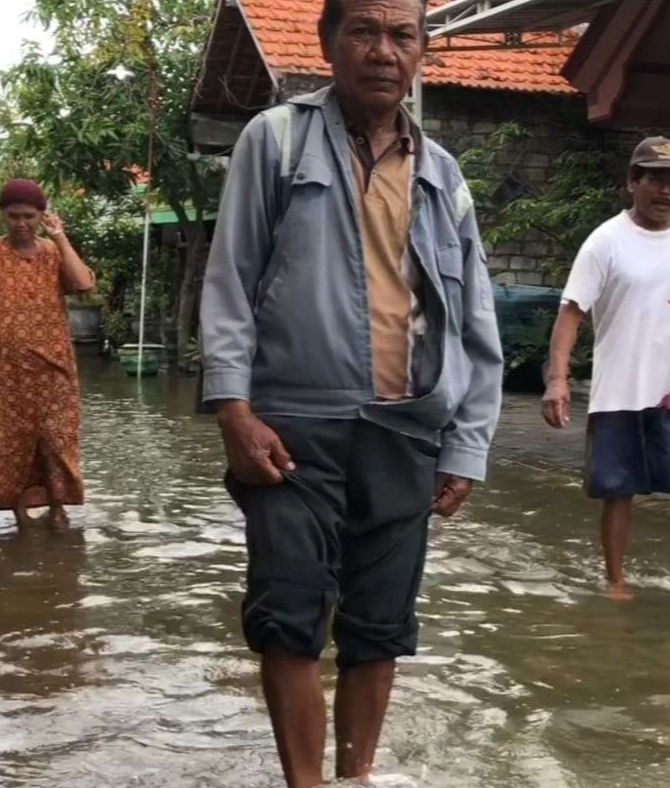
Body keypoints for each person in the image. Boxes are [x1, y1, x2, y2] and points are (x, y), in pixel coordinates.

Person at [199, 0, 504, 783]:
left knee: (380, 626)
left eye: (401, 35)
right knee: (286, 617)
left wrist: (466, 444)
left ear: (423, 52)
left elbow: (473, 319)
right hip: (288, 426)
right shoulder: (276, 140)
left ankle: (355, 777)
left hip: (405, 429)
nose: (381, 50)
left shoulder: (441, 175)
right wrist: (234, 409)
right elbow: (230, 281)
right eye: (363, 31)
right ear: (328, 41)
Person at [542, 137, 670, 610]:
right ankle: (614, 580)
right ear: (632, 183)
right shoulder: (605, 240)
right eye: (654, 179)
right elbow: (571, 313)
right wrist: (557, 378)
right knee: (619, 491)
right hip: (617, 389)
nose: (665, 190)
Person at [0, 179, 96, 532]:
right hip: (3, 369)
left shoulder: (52, 252)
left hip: (54, 365)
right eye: (13, 216)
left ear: (41, 216)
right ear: (2, 215)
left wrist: (59, 236)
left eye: (29, 216)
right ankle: (19, 512)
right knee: (10, 439)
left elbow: (84, 285)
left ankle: (58, 505)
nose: (21, 223)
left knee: (57, 437)